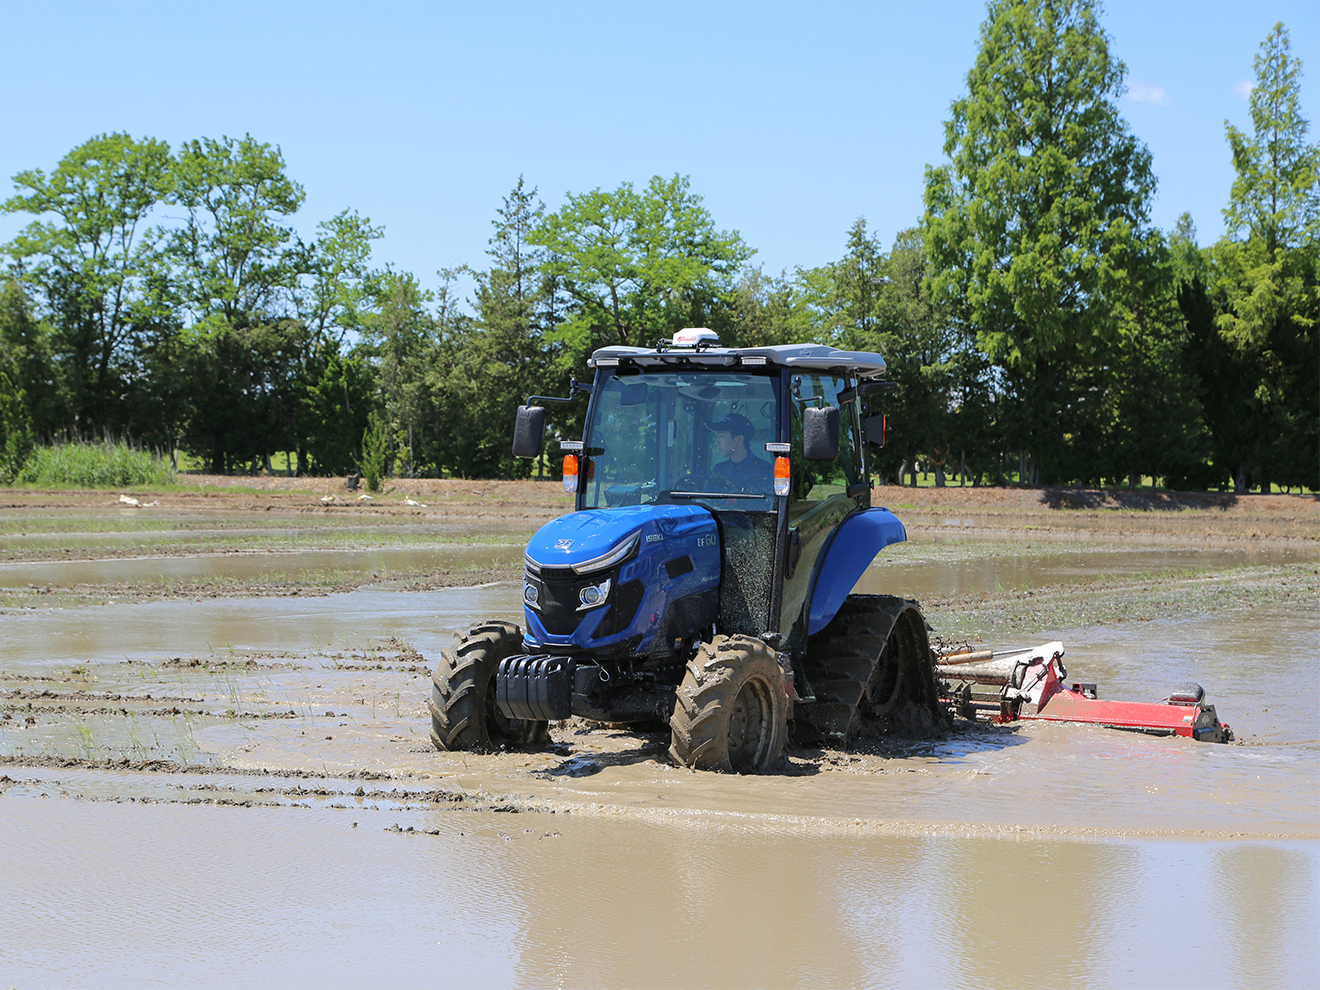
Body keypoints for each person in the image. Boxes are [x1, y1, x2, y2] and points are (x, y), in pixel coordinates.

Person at [706, 414, 774, 494]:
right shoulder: (719, 470)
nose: (716, 442)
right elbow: (706, 500)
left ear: (739, 439)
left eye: (721, 436)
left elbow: (764, 504)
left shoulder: (763, 470)